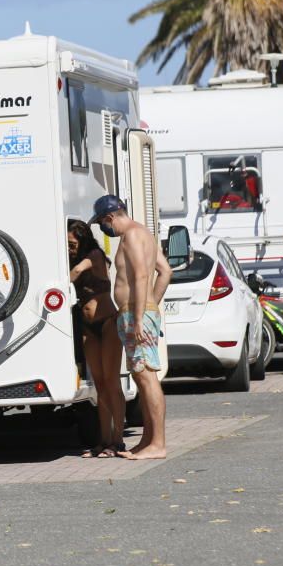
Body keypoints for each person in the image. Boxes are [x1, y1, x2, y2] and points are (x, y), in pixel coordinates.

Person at [89, 195, 172, 460]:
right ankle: (147, 441)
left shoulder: (133, 235)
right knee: (140, 375)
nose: (105, 228)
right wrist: (151, 306)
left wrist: (140, 317)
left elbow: (141, 275)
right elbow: (166, 271)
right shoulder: (144, 234)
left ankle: (157, 444)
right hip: (137, 311)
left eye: (103, 222)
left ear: (111, 217)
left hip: (136, 314)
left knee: (146, 377)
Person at [67, 220, 124, 458]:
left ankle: (118, 440)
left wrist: (61, 282)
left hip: (108, 322)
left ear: (83, 239)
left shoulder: (94, 255)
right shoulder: (75, 257)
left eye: (72, 243)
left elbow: (79, 272)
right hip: (88, 326)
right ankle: (104, 440)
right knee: (99, 385)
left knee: (112, 382)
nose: (69, 248)